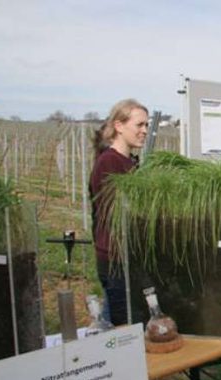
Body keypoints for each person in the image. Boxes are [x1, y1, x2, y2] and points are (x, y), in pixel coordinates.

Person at [89, 99, 148, 326]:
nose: (144, 131)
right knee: (122, 333)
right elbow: (116, 213)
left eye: (146, 126)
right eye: (139, 125)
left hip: (128, 258)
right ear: (119, 126)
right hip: (115, 259)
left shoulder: (129, 162)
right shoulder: (109, 163)